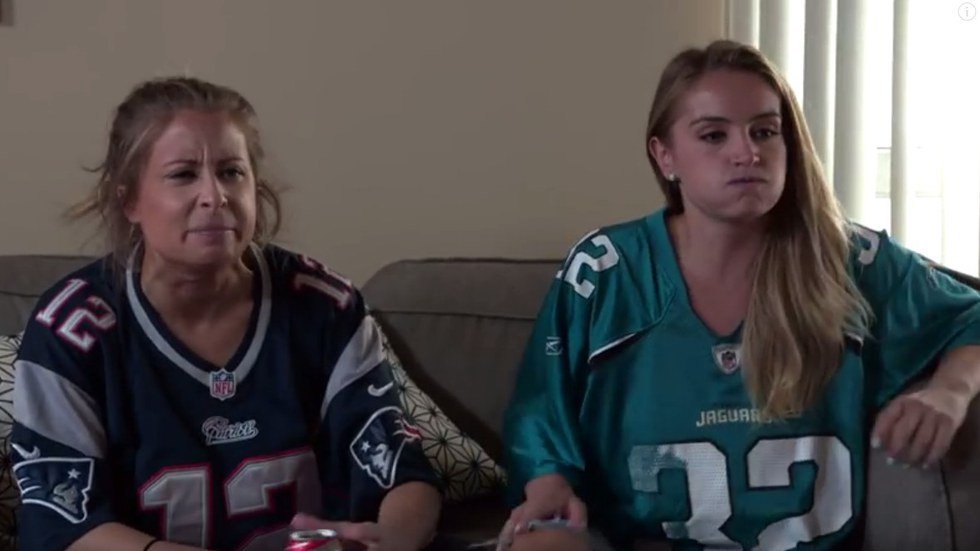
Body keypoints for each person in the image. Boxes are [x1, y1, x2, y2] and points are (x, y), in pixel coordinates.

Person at [500, 40, 980, 551]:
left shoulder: (851, 260)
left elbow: (969, 317)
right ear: (665, 156)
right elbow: (542, 412)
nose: (747, 153)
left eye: (765, 132)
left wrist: (949, 391)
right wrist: (547, 484)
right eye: (713, 135)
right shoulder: (606, 270)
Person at [11, 77, 443, 551]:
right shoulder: (69, 330)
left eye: (232, 172)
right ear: (128, 199)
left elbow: (403, 473)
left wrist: (391, 540)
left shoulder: (324, 306)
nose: (214, 196)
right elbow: (64, 526)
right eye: (183, 175)